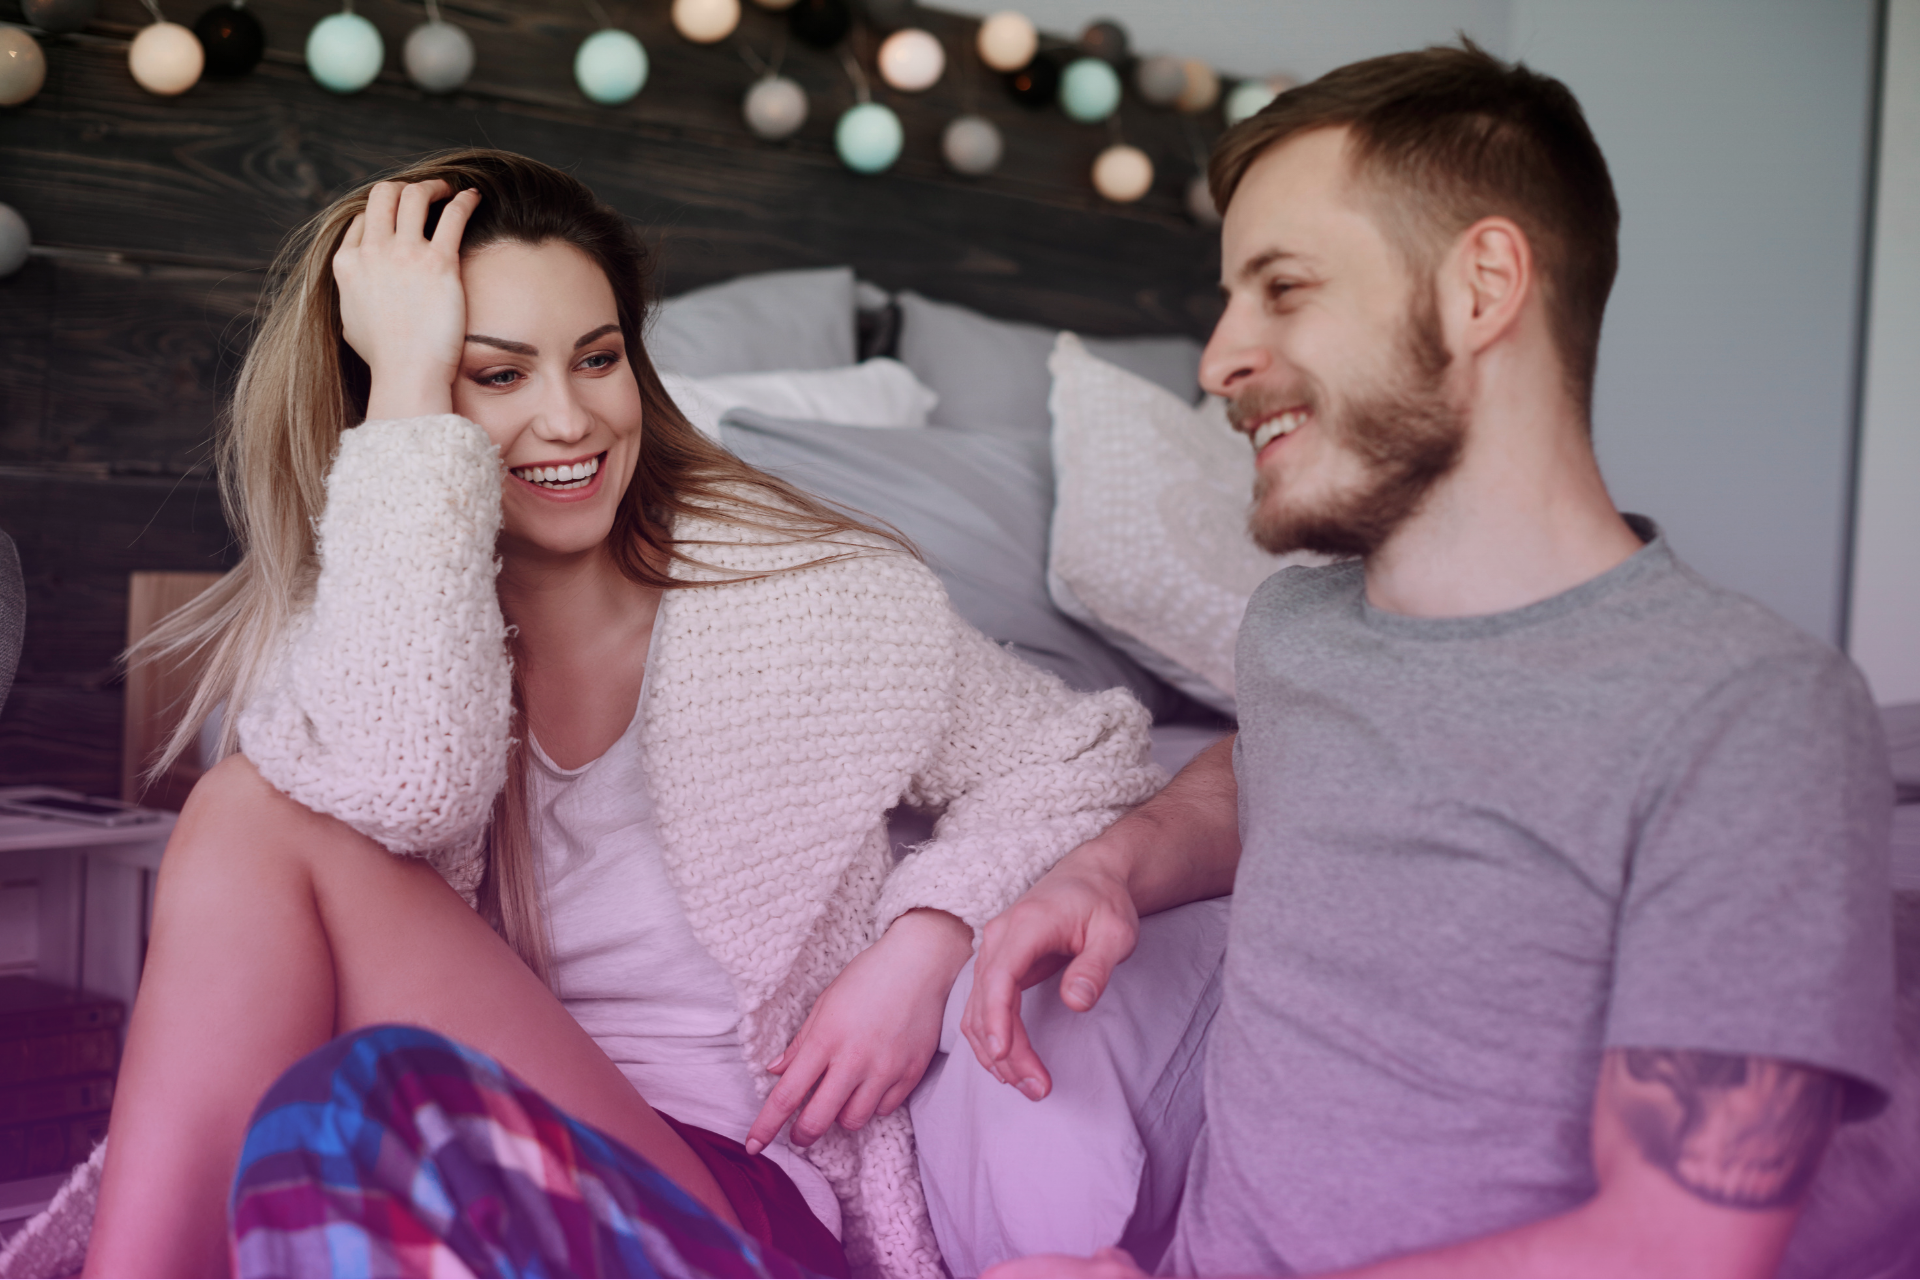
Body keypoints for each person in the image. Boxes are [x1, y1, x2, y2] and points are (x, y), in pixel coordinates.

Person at [60, 149, 1161, 1278]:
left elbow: (1081, 755)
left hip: (724, 1186)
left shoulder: (816, 603)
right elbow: (402, 778)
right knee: (266, 834)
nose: (569, 418)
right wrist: (403, 398)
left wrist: (927, 939)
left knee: (328, 1005)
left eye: (598, 358)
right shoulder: (367, 634)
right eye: (493, 375)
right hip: (452, 1146)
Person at [962, 42, 1897, 1278]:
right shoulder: (1299, 632)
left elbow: (1676, 1243)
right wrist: (1109, 869)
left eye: (1283, 287)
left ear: (1482, 286)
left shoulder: (1749, 710)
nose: (1218, 359)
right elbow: (1263, 776)